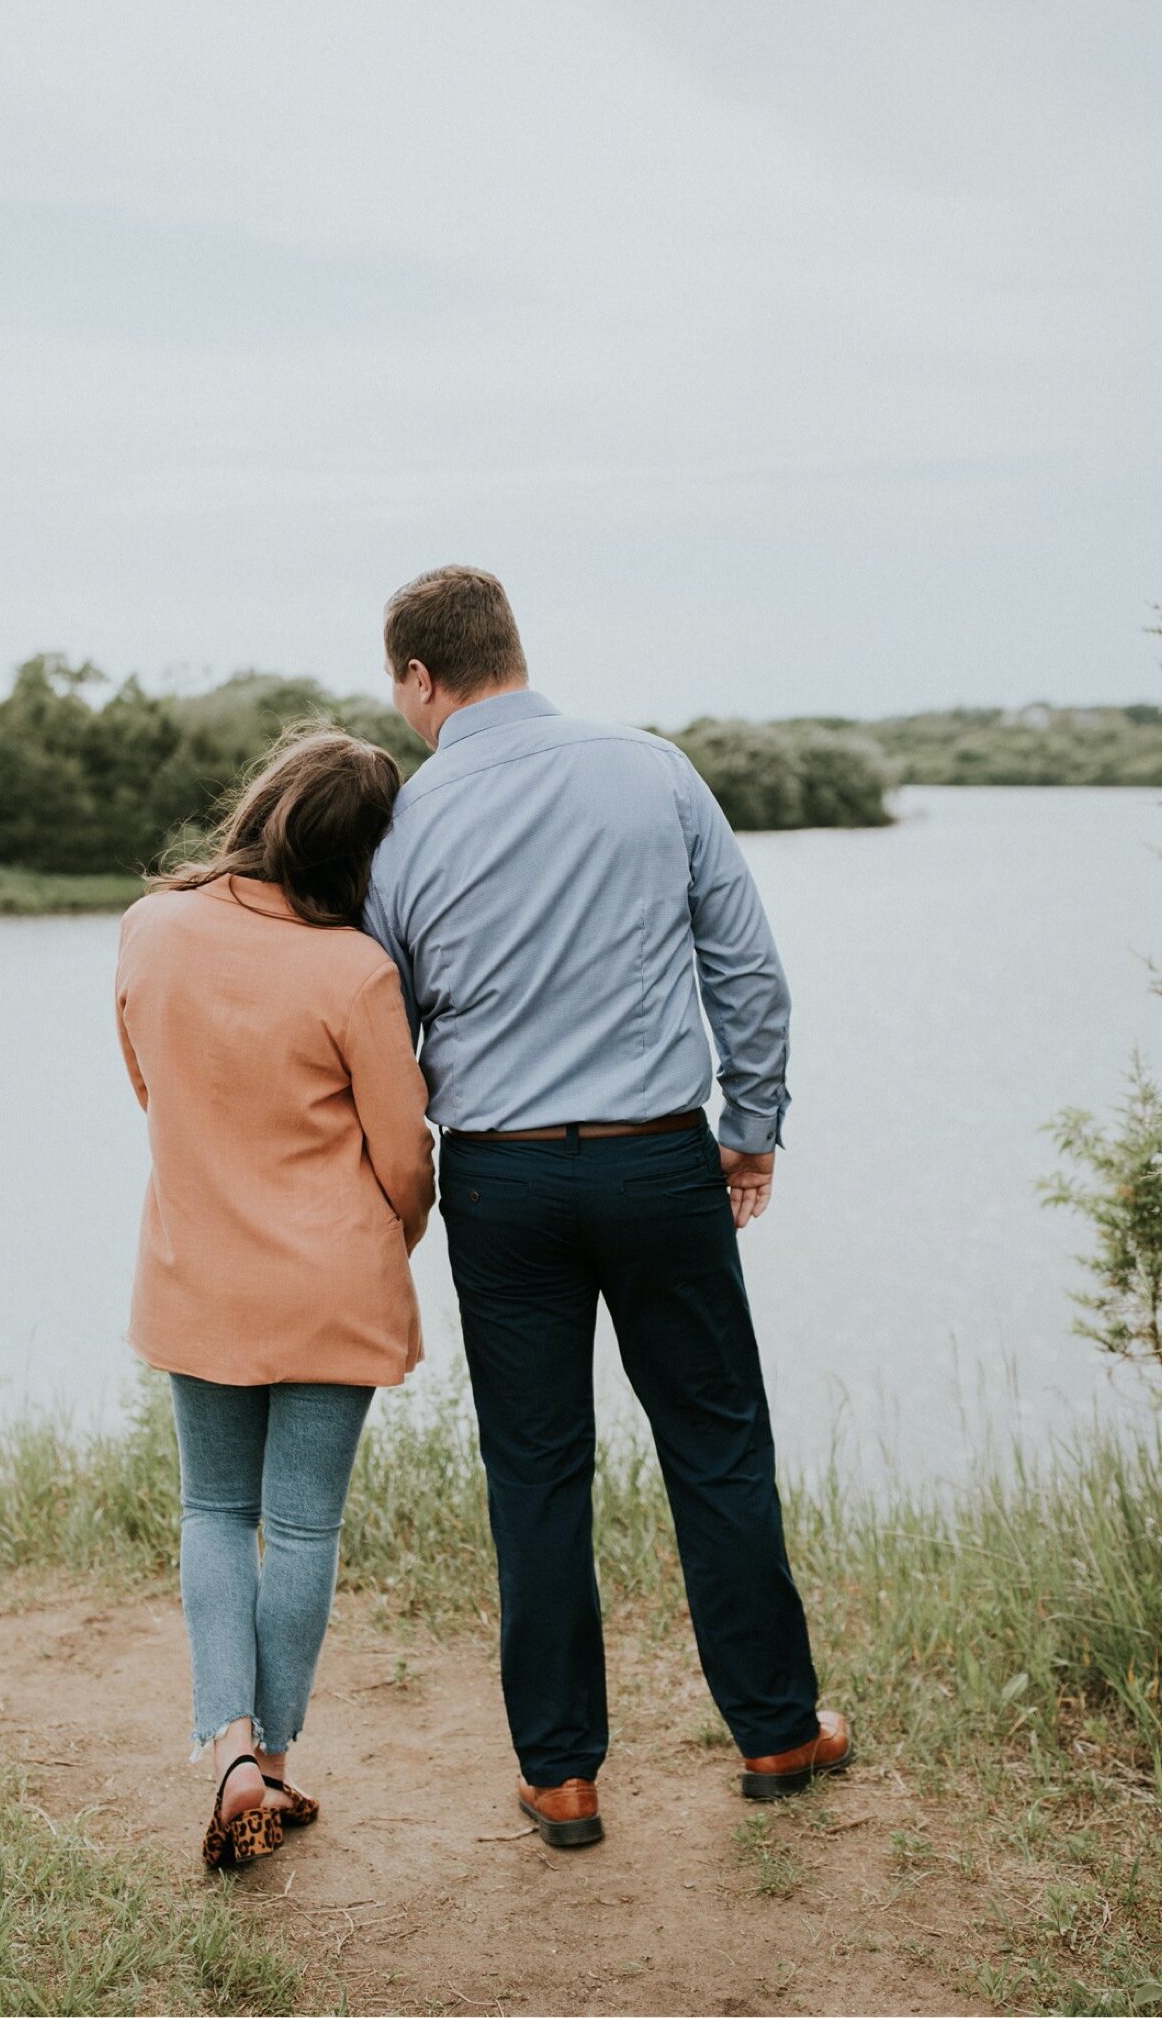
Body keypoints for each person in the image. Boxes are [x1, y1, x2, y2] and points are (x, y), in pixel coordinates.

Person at [364, 566, 850, 1847]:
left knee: (534, 1471)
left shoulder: (405, 825)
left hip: (502, 1182)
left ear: (422, 679)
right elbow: (747, 972)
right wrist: (751, 1134)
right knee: (716, 1445)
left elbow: (380, 1022)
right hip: (656, 1163)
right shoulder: (655, 771)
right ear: (512, 648)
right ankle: (779, 1733)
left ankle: (563, 1775)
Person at [115, 729, 435, 1872]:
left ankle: (231, 1754)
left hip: (198, 1267)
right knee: (299, 1527)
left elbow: (149, 1087)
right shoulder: (355, 970)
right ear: (364, 854)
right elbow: (405, 1161)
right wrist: (384, 1234)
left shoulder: (150, 929)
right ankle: (281, 1767)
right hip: (330, 1285)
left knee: (213, 1513)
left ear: (261, 805)